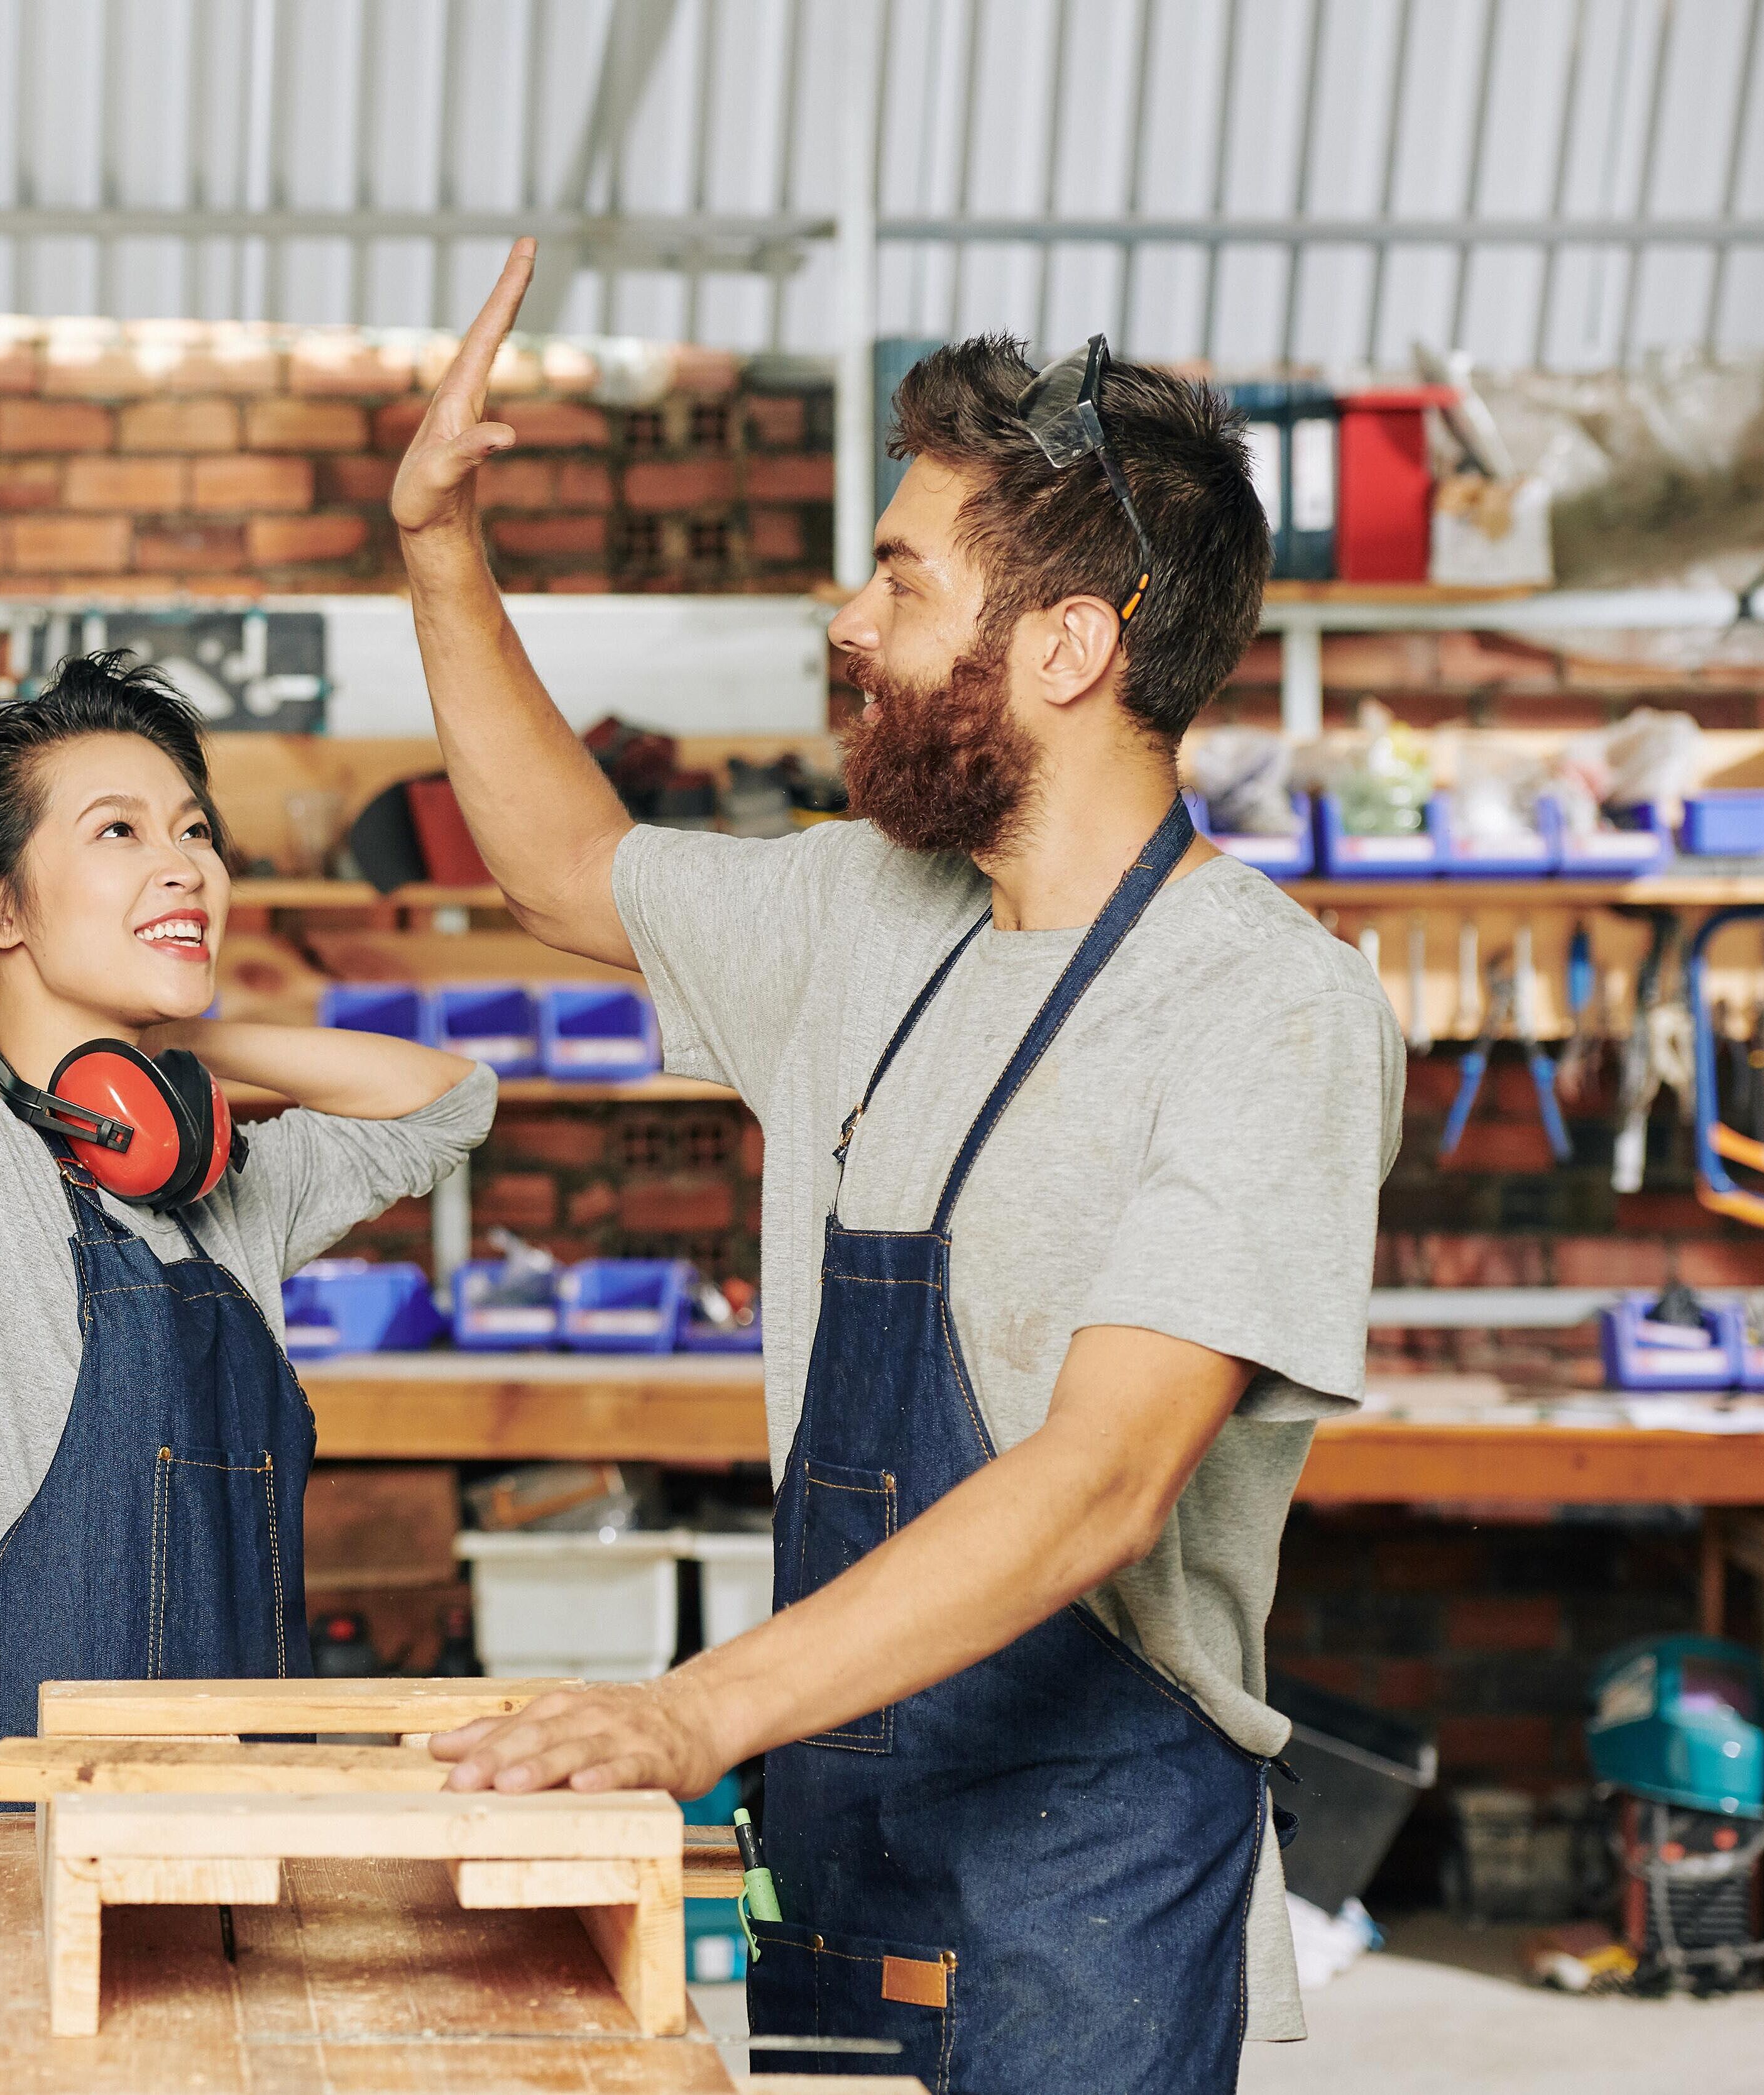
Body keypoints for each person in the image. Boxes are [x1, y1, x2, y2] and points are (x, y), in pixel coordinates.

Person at [391, 243, 1400, 2092]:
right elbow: (564, 865)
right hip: (855, 1825)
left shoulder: (1271, 1012)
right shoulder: (870, 911)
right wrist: (441, 553)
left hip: (1091, 1883)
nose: (850, 620)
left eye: (901, 580)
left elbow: (1104, 1483)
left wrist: (692, 1712)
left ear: (1070, 649)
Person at [0, 408, 495, 2094]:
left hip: (231, 1892)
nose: (187, 866)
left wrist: (196, 1056)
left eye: (195, 832)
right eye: (119, 834)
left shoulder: (219, 1195)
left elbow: (449, 1102)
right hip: (2, 1912)